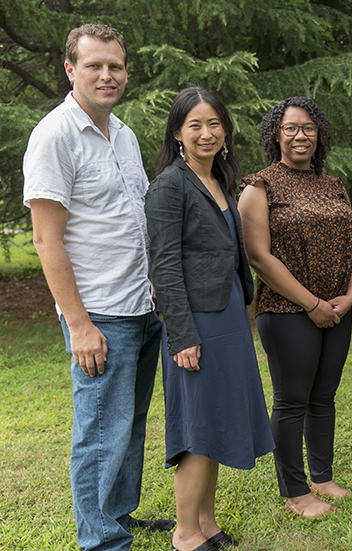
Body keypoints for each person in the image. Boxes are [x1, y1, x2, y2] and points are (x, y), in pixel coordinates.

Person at [22, 24, 172, 551]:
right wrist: (79, 323)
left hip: (140, 305)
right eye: (94, 66)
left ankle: (117, 517)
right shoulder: (56, 135)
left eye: (116, 66)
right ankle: (101, 541)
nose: (107, 76)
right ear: (70, 70)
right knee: (98, 433)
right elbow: (45, 239)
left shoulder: (124, 134)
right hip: (100, 313)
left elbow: (135, 220)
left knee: (127, 425)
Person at [146, 87, 274, 551]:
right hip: (195, 322)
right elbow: (163, 265)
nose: (206, 133)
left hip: (228, 315)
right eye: (195, 125)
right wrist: (181, 334)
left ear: (225, 129)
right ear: (177, 133)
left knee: (217, 420)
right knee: (199, 428)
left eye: (214, 123)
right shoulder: (168, 186)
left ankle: (206, 522)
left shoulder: (220, 177)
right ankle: (184, 534)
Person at [238, 97, 352, 518]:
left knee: (323, 397)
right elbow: (258, 256)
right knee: (292, 400)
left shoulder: (333, 184)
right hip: (288, 311)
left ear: (319, 134)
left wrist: (351, 294)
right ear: (276, 134)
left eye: (308, 128)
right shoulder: (260, 186)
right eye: (290, 128)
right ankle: (295, 492)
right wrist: (311, 304)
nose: (300, 136)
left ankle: (323, 478)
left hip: (337, 308)